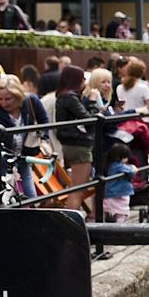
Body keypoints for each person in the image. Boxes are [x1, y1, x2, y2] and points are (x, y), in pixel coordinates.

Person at [0, 74, 50, 199]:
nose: (3, 103)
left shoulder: (31, 101)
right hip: (1, 161)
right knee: (1, 197)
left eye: (8, 99)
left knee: (30, 196)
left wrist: (44, 139)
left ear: (18, 96)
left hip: (23, 156)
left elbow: (44, 120)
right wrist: (10, 170)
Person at [55, 65, 98, 213]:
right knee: (78, 188)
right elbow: (89, 119)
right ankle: (71, 223)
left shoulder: (63, 96)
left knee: (77, 186)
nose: (84, 82)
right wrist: (92, 102)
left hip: (71, 143)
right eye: (83, 79)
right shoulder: (70, 97)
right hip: (78, 145)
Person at [102, 143, 136, 223]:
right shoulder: (118, 166)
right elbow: (131, 172)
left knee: (111, 214)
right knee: (121, 214)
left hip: (110, 195)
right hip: (119, 194)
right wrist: (133, 168)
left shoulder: (109, 165)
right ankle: (119, 228)